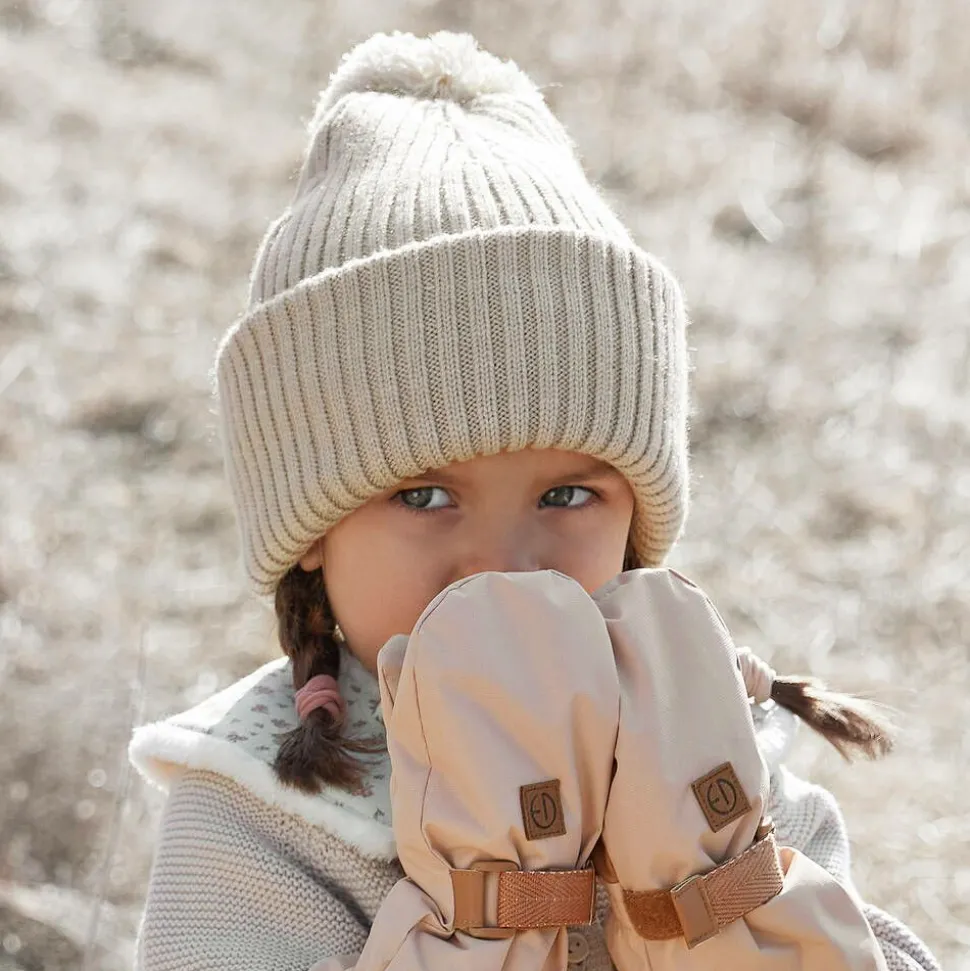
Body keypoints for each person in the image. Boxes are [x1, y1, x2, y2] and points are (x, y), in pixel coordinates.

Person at [128, 29, 941, 971]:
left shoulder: (707, 743)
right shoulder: (263, 808)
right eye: (425, 493)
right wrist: (491, 907)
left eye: (566, 492)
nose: (505, 560)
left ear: (636, 519)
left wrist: (717, 886)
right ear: (310, 525)